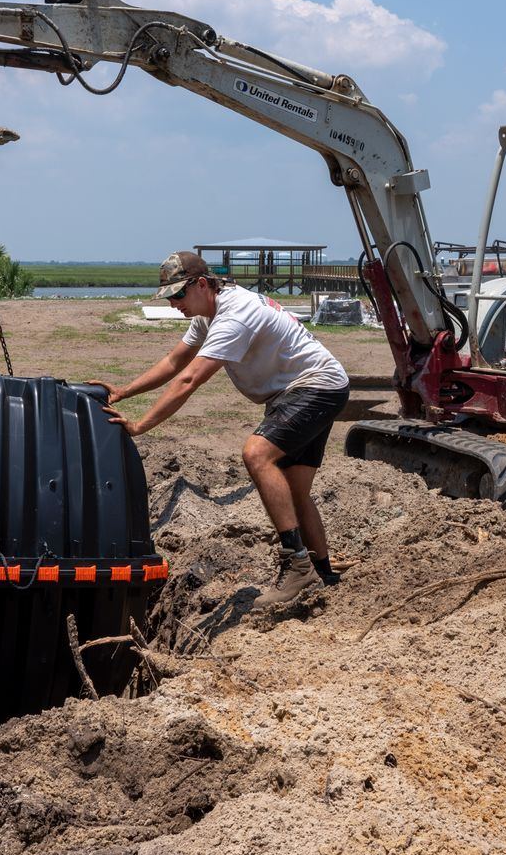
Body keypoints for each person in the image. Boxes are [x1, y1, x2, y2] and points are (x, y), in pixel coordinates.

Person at [100, 251, 351, 611]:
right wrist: (124, 391)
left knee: (256, 454)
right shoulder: (209, 313)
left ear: (202, 284)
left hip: (314, 386)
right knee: (294, 488)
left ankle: (297, 565)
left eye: (178, 295)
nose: (173, 304)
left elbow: (188, 380)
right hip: (308, 387)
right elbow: (175, 361)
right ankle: (322, 572)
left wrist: (142, 426)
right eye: (169, 298)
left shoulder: (235, 315)